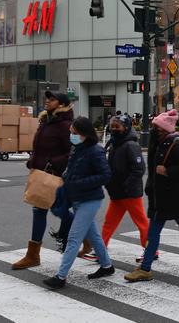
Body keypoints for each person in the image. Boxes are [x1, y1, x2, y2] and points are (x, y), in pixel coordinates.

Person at [124, 109, 179, 282]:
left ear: (164, 129)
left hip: (176, 196)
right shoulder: (160, 143)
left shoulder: (176, 144)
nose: (154, 130)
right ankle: (145, 268)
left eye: (157, 127)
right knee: (153, 232)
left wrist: (167, 171)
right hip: (161, 196)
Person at [42, 117, 114, 289]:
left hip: (90, 199)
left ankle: (61, 277)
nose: (71, 136)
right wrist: (66, 177)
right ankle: (107, 266)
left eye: (75, 133)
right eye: (71, 133)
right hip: (76, 198)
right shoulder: (77, 148)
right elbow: (71, 169)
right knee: (94, 236)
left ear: (85, 134)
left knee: (74, 238)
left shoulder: (96, 151)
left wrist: (79, 183)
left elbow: (105, 176)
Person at [12, 91, 75, 270]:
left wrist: (51, 163)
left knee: (58, 210)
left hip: (54, 174)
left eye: (52, 99)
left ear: (61, 103)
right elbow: (40, 146)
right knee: (40, 210)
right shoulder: (46, 121)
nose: (47, 101)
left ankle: (84, 232)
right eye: (47, 98)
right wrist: (34, 160)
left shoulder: (65, 125)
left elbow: (71, 152)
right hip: (41, 172)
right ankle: (33, 255)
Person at [98, 114, 151, 262]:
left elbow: (139, 169)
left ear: (125, 128)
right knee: (109, 222)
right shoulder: (115, 143)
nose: (114, 129)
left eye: (117, 126)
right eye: (112, 126)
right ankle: (101, 249)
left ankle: (151, 250)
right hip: (118, 191)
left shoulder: (130, 145)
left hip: (129, 192)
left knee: (141, 223)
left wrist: (127, 185)